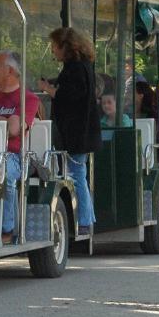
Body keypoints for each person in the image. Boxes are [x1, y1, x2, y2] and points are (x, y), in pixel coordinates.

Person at [41, 27, 101, 234]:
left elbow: (70, 96)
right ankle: (87, 218)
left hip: (76, 132)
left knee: (76, 175)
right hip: (82, 131)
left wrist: (50, 90)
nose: (53, 51)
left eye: (55, 47)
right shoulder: (82, 66)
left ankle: (84, 221)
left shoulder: (74, 68)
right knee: (78, 175)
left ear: (64, 46)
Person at [0, 50, 40, 242]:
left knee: (4, 171)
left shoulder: (28, 98)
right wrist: (3, 120)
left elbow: (15, 129)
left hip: (12, 154)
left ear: (10, 71)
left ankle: (6, 229)